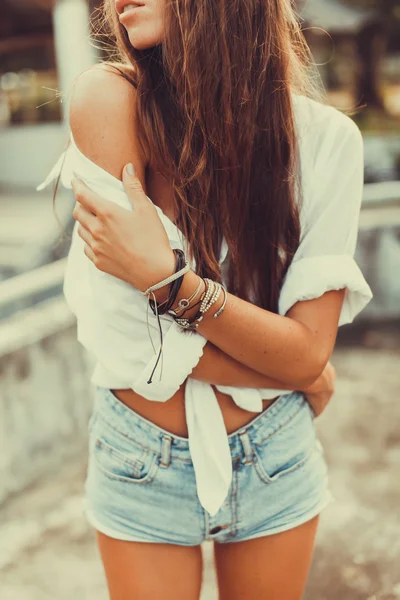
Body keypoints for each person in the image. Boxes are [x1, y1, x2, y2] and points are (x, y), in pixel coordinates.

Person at [38, 0, 373, 597]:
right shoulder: (109, 100)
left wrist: (171, 285)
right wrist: (290, 369)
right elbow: (123, 331)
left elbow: (306, 354)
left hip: (276, 453)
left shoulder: (327, 142)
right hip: (141, 456)